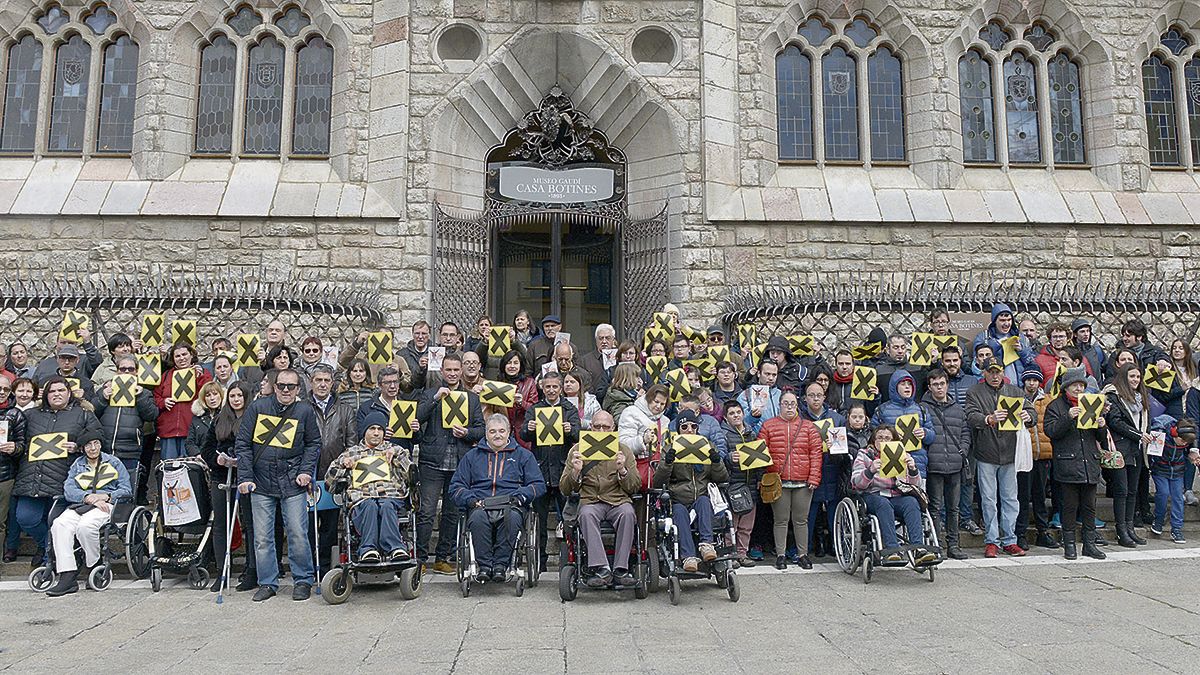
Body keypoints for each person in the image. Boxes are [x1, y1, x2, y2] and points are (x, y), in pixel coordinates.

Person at [235, 368, 322, 602]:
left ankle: (303, 580)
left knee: (297, 533)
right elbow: (242, 444)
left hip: (293, 482)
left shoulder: (304, 411)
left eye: (291, 386)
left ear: (298, 389)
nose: (285, 390)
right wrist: (245, 477)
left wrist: (305, 471)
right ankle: (267, 582)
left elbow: (313, 443)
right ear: (274, 387)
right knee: (262, 537)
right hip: (261, 482)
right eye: (281, 385)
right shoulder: (257, 408)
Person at [15, 376, 102, 568]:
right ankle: (47, 547)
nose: (56, 394)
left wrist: (79, 446)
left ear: (69, 393)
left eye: (61, 390)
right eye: (52, 391)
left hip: (64, 478)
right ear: (45, 395)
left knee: (58, 523)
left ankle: (51, 557)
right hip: (32, 477)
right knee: (25, 518)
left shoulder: (83, 414)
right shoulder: (31, 414)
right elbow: (19, 440)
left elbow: (98, 437)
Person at [450, 414, 545, 582]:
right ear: (486, 434)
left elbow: (538, 485)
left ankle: (501, 565)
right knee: (477, 519)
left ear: (509, 432)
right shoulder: (471, 456)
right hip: (481, 504)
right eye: (492, 431)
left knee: (513, 518)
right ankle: (485, 566)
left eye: (502, 431)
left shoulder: (524, 455)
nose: (497, 435)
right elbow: (456, 487)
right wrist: (470, 499)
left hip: (511, 504)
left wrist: (521, 496)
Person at [414, 353, 484, 574]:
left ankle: (443, 557)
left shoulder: (471, 399)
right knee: (426, 512)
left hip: (460, 463)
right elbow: (417, 417)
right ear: (442, 372)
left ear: (462, 371)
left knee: (452, 513)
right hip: (432, 462)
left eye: (456, 370)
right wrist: (435, 399)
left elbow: (481, 429)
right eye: (449, 370)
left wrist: (467, 433)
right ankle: (420, 558)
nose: (453, 374)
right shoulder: (430, 394)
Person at [44, 428, 132, 597]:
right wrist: (88, 497)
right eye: (88, 445)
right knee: (59, 525)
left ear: (100, 445)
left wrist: (106, 496)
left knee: (85, 527)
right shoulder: (77, 465)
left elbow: (126, 489)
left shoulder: (113, 462)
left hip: (107, 505)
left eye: (96, 444)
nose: (92, 448)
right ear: (82, 448)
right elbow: (68, 489)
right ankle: (67, 575)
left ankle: (94, 564)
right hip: (82, 504)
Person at [560, 410, 639, 587]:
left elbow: (634, 486)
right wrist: (576, 471)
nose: (602, 431)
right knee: (586, 514)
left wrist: (622, 470)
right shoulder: (577, 449)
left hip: (617, 500)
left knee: (627, 513)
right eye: (597, 427)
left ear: (613, 429)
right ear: (590, 427)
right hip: (591, 500)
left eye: (606, 427)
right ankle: (602, 567)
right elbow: (564, 488)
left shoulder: (624, 450)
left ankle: (621, 568)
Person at [965, 357, 1034, 558]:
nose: (995, 376)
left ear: (1003, 372)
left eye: (998, 372)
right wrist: (988, 419)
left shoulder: (1015, 391)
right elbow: (970, 415)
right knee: (988, 499)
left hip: (1010, 452)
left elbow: (1030, 410)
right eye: (991, 372)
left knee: (1010, 499)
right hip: (986, 452)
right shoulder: (974, 392)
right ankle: (992, 540)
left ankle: (1009, 539)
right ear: (984, 372)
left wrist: (1029, 417)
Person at [325, 411, 415, 562]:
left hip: (390, 496)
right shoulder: (351, 453)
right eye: (372, 429)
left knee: (385, 505)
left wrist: (397, 455)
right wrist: (343, 465)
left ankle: (395, 547)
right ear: (364, 431)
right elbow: (329, 482)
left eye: (380, 429)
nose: (376, 433)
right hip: (362, 498)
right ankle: (368, 549)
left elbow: (411, 474)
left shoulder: (394, 450)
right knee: (370, 505)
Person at [1042, 367, 1107, 560]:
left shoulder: (1091, 404)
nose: (1079, 389)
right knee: (1069, 507)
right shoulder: (1056, 406)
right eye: (1075, 385)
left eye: (1081, 385)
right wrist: (1068, 417)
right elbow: (1051, 431)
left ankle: (1089, 544)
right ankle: (1069, 544)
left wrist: (1102, 425)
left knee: (1089, 507)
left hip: (1089, 462)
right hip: (1068, 463)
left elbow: (1100, 438)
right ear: (1066, 387)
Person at [653, 410, 729, 573]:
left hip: (701, 494)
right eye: (685, 426)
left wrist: (716, 462)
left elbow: (722, 478)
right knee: (679, 511)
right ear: (678, 429)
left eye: (693, 426)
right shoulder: (670, 448)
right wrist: (667, 463)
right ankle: (688, 556)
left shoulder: (708, 446)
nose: (689, 429)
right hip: (678, 496)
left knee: (703, 501)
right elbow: (659, 482)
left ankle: (706, 545)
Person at [849, 426, 937, 566]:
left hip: (897, 495)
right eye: (880, 438)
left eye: (887, 438)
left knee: (912, 502)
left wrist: (913, 470)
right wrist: (870, 471)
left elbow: (914, 485)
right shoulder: (864, 455)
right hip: (873, 494)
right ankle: (891, 550)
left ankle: (919, 548)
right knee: (883, 505)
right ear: (873, 439)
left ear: (894, 441)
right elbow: (856, 483)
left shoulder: (902, 455)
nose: (883, 441)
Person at [519, 371, 580, 570]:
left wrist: (572, 430)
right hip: (540, 471)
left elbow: (580, 435)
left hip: (563, 471)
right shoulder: (535, 409)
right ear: (542, 388)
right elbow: (523, 435)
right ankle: (539, 563)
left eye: (555, 386)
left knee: (569, 521)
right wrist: (529, 428)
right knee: (539, 522)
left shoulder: (569, 408)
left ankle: (570, 561)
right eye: (548, 387)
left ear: (561, 388)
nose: (551, 390)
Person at [757, 391, 822, 570]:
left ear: (797, 405)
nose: (789, 407)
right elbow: (761, 453)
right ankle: (780, 555)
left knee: (801, 520)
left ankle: (803, 554)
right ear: (779, 405)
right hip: (779, 480)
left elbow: (816, 454)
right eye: (786, 403)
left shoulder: (809, 427)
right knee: (781, 519)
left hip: (803, 481)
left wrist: (814, 478)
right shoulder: (768, 426)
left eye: (792, 403)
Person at [203, 381, 257, 591]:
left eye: (239, 396)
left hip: (246, 476)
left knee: (251, 525)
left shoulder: (253, 418)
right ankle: (222, 571)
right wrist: (218, 460)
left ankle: (252, 572)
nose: (236, 400)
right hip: (221, 477)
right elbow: (207, 449)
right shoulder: (219, 419)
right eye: (232, 396)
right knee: (221, 525)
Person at [309, 364, 357, 571]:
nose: (322, 384)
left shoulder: (344, 410)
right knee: (309, 526)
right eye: (318, 380)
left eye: (326, 380)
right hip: (308, 475)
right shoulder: (302, 407)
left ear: (332, 383)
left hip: (333, 478)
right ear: (311, 382)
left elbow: (352, 444)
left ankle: (326, 567)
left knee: (329, 526)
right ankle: (310, 566)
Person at [921, 367, 970, 559]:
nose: (939, 388)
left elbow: (965, 432)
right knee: (935, 507)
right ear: (930, 386)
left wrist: (963, 451)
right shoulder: (923, 408)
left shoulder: (957, 408)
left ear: (947, 385)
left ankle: (953, 544)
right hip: (934, 464)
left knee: (954, 507)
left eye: (942, 383)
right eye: (935, 384)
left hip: (955, 464)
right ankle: (936, 544)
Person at [1104, 363, 1152, 548]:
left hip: (1137, 449)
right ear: (1124, 377)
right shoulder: (1113, 396)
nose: (1135, 380)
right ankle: (1121, 530)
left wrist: (1145, 435)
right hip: (1120, 448)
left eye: (1138, 377)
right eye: (1132, 376)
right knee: (1122, 491)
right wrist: (1138, 434)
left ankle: (1130, 528)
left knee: (1133, 491)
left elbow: (1144, 422)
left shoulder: (1140, 398)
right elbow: (1115, 422)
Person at [91, 355, 158, 479]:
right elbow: (92, 413)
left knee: (128, 489)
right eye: (122, 369)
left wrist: (141, 396)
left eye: (131, 369)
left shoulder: (144, 393)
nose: (126, 371)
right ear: (117, 371)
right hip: (105, 449)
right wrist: (103, 398)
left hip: (130, 450)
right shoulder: (105, 390)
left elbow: (152, 415)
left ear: (137, 372)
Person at [870, 368, 935, 477]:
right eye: (903, 384)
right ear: (894, 387)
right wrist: (890, 436)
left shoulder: (921, 409)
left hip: (917, 465)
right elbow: (873, 435)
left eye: (909, 384)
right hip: (890, 465)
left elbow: (932, 436)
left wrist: (925, 433)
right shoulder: (882, 410)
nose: (907, 387)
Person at [154, 343, 212, 460]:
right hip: (169, 431)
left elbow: (208, 393)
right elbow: (156, 397)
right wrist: (163, 402)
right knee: (169, 469)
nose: (181, 358)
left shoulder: (202, 373)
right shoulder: (166, 376)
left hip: (191, 431)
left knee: (191, 469)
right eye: (177, 356)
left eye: (184, 354)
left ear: (191, 355)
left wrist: (200, 377)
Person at [721, 399, 761, 567]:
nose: (736, 416)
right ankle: (730, 554)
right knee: (732, 525)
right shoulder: (723, 434)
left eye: (738, 412)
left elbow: (760, 459)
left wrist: (759, 477)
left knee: (746, 526)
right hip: (733, 486)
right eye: (732, 413)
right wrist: (729, 458)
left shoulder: (751, 433)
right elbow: (720, 459)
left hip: (750, 485)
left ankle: (742, 554)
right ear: (725, 417)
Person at [1148, 416, 1199, 544]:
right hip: (1160, 469)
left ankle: (1176, 528)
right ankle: (1158, 520)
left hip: (1177, 470)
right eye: (1182, 441)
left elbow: (1191, 446)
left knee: (1178, 498)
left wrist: (1193, 454)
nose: (1184, 444)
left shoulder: (1187, 440)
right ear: (1175, 434)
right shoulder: (1163, 434)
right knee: (1163, 493)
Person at [0, 374, 28, 565]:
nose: (2, 393)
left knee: (1, 523)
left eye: (5, 390)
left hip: (5, 475)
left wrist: (15, 448)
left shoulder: (15, 414)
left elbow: (23, 445)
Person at [972, 303, 1038, 384]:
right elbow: (976, 366)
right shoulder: (984, 338)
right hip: (993, 386)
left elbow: (1032, 363)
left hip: (1018, 386)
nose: (1006, 324)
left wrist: (1021, 351)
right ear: (994, 321)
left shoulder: (1021, 338)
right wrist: (995, 347)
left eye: (1009, 320)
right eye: (1002, 320)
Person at [355, 367, 407, 446]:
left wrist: (416, 431)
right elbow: (360, 435)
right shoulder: (367, 408)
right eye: (387, 383)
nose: (392, 386)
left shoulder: (406, 406)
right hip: (375, 455)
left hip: (401, 455)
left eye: (396, 382)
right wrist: (380, 434)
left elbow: (417, 439)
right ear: (379, 385)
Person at [496, 350, 538, 446]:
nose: (512, 366)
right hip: (503, 431)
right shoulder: (498, 384)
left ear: (521, 365)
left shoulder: (529, 383)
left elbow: (535, 409)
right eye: (509, 363)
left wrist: (521, 402)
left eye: (515, 363)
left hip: (523, 431)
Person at [737, 359, 782, 434]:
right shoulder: (745, 395)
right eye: (767, 374)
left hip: (780, 439)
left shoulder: (782, 395)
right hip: (757, 440)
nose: (771, 378)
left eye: (774, 375)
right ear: (758, 373)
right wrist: (753, 417)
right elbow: (740, 423)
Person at [578, 324, 618, 400]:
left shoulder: (619, 358)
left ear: (613, 340)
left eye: (608, 338)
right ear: (596, 340)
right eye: (601, 338)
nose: (604, 341)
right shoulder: (585, 360)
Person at [185, 382, 224, 458]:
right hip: (201, 460)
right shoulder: (197, 419)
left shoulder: (227, 416)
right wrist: (197, 455)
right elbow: (189, 443)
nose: (212, 398)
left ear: (221, 395)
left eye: (215, 394)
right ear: (203, 399)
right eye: (208, 395)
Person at [400, 321, 433, 392]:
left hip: (430, 398)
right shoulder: (402, 355)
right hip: (409, 397)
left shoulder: (436, 353)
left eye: (424, 333)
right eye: (417, 333)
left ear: (429, 335)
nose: (420, 337)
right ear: (412, 334)